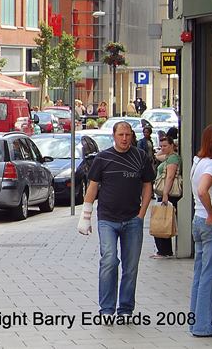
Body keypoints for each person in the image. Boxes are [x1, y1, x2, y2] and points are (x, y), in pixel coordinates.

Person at [77, 121, 154, 318]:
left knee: (130, 267)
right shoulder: (103, 158)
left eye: (128, 134)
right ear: (114, 136)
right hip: (107, 219)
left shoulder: (141, 157)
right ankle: (107, 309)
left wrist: (142, 213)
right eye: (121, 135)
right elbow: (92, 187)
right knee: (109, 260)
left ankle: (126, 309)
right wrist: (85, 216)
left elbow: (147, 185)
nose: (124, 138)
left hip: (132, 219)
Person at [189, 125, 212, 338]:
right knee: (210, 275)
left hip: (197, 222)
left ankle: (195, 322)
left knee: (199, 274)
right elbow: (202, 190)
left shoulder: (198, 162)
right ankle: (203, 326)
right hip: (210, 224)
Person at [152, 134, 181, 259]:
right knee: (163, 219)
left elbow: (169, 177)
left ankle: (164, 250)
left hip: (168, 194)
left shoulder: (173, 159)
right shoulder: (169, 157)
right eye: (161, 146)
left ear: (172, 146)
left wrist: (165, 194)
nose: (162, 148)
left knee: (163, 220)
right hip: (166, 194)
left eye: (165, 146)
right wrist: (163, 150)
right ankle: (165, 250)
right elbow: (157, 156)